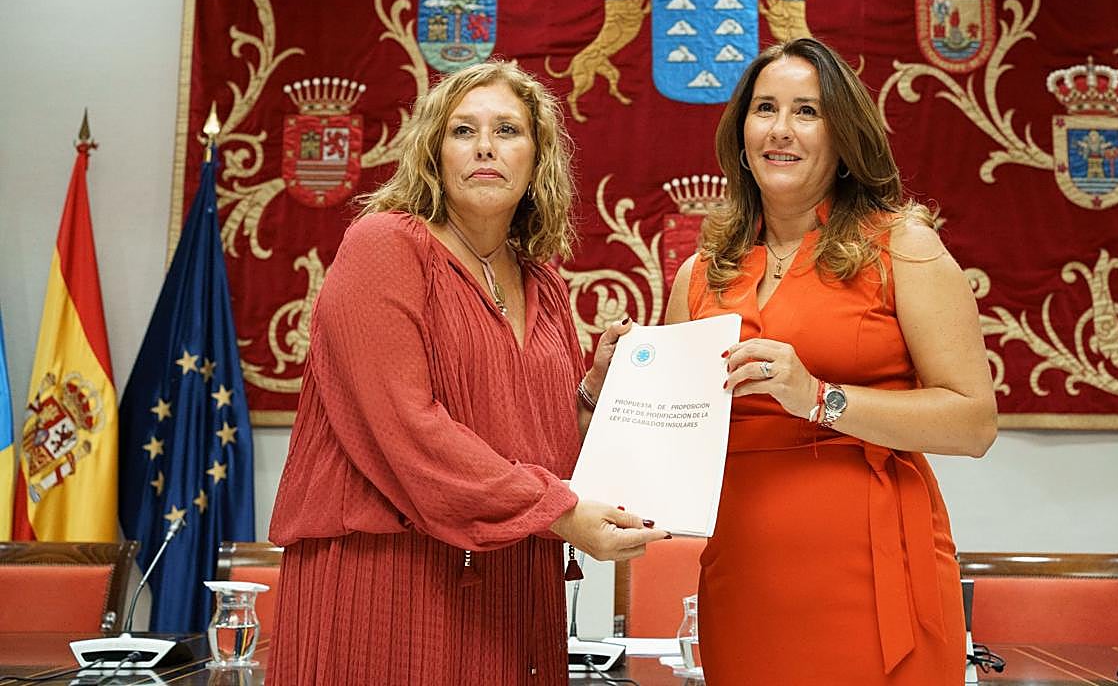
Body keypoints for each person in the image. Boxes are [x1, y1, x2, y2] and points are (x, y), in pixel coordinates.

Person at [267, 60, 666, 685]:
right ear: (434, 152)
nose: (486, 146)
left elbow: (542, 446)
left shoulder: (546, 284)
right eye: (463, 130)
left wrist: (595, 392)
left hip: (510, 587)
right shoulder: (384, 245)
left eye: (508, 130)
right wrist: (560, 515)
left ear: (537, 160)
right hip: (390, 581)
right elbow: (407, 430)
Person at [665, 38, 997, 685]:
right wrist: (611, 394)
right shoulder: (700, 273)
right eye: (765, 109)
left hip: (875, 575)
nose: (780, 130)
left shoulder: (904, 246)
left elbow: (973, 422)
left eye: (807, 112)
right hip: (746, 575)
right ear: (740, 133)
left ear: (844, 135)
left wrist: (820, 397)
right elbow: (678, 440)